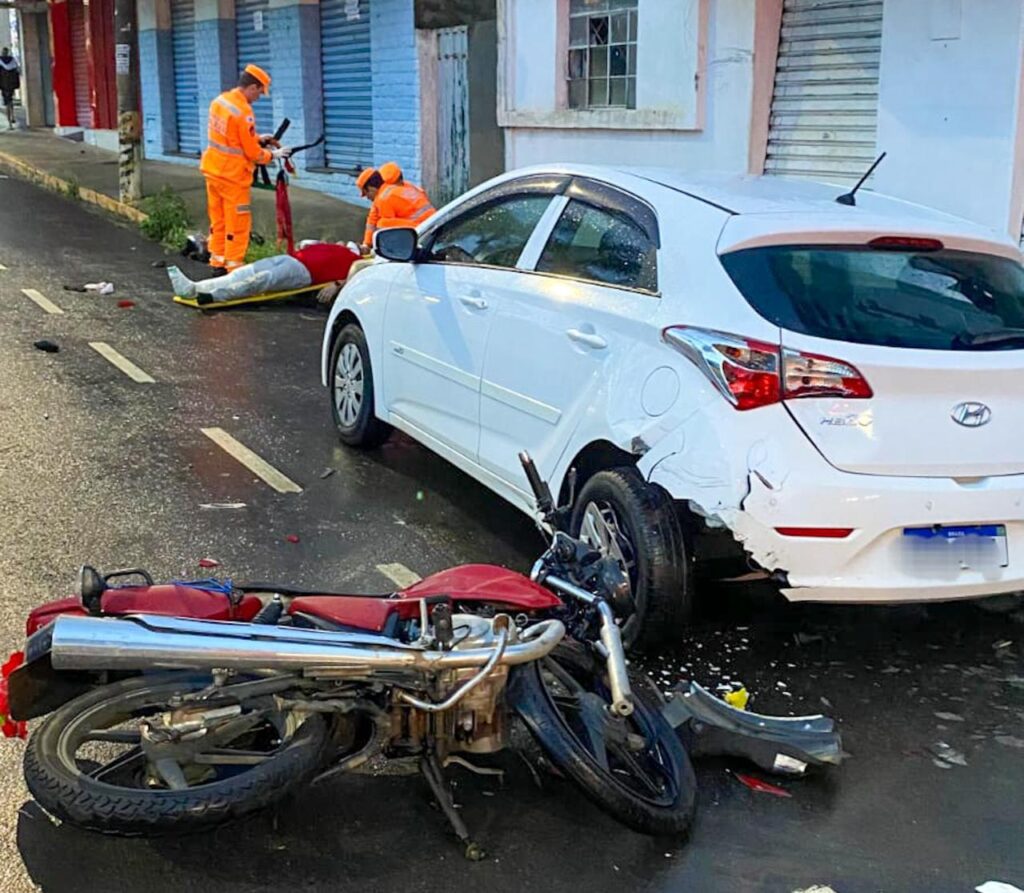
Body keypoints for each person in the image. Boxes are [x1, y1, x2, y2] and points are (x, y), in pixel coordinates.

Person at [200, 64, 290, 275]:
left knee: (218, 220)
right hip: (233, 176)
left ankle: (217, 262)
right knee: (237, 224)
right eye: (259, 92)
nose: (258, 97)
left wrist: (257, 138)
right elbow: (252, 153)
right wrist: (273, 155)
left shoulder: (219, 102)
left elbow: (231, 137)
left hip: (213, 170)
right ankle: (234, 269)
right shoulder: (243, 111)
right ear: (252, 87)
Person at [168, 242, 359, 305]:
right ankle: (193, 287)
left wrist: (337, 285)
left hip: (303, 272)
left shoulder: (359, 263)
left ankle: (213, 296)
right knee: (242, 273)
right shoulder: (339, 246)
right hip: (290, 258)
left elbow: (357, 280)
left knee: (259, 280)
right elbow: (305, 243)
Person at [357, 162, 435, 253]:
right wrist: (366, 243)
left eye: (366, 194)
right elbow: (372, 218)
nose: (367, 198)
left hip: (422, 228)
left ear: (371, 188)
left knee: (382, 224)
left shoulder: (383, 198)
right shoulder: (405, 186)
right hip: (433, 222)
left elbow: (389, 231)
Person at [0, 48, 20, 130]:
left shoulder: (0, 61)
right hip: (11, 85)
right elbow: (17, 73)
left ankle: (9, 124)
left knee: (6, 102)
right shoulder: (13, 61)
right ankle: (12, 116)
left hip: (4, 86)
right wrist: (16, 85)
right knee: (10, 101)